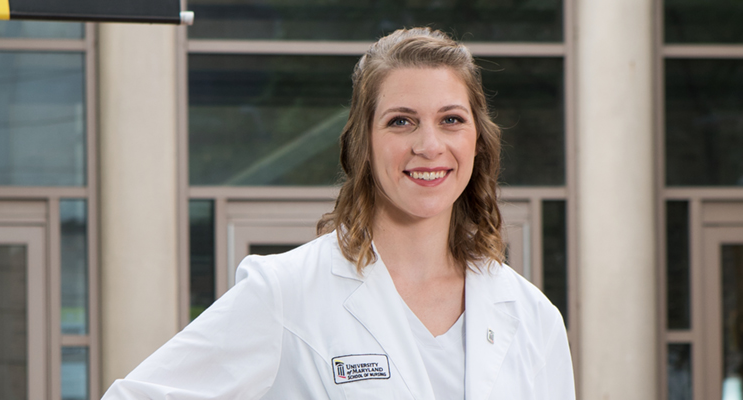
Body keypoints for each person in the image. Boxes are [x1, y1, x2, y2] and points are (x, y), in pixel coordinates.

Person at [102, 27, 574, 399]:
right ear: (362, 142)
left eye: (451, 120)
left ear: (478, 141)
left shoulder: (533, 318)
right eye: (401, 121)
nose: (429, 145)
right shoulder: (286, 293)